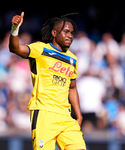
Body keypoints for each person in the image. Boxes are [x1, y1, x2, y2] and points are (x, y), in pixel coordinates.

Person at [9, 12, 86, 150]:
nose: (70, 36)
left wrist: (79, 115)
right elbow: (15, 48)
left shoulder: (72, 59)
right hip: (44, 113)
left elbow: (72, 88)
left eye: (72, 33)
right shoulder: (40, 49)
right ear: (54, 33)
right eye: (66, 32)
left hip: (66, 117)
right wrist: (15, 29)